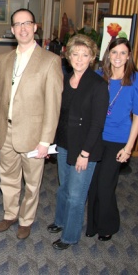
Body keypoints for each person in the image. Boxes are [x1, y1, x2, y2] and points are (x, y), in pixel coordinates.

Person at [0, 9, 63, 240]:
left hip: (33, 134)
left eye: (27, 23)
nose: (22, 28)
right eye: (17, 24)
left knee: (32, 182)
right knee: (7, 178)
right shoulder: (4, 59)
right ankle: (10, 214)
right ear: (12, 30)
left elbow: (54, 104)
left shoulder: (50, 61)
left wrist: (45, 141)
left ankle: (26, 220)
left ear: (35, 27)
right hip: (5, 130)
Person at [46, 34, 109, 250]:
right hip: (64, 143)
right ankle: (61, 221)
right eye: (75, 54)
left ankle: (70, 237)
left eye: (85, 55)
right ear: (68, 56)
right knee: (64, 188)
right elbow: (59, 115)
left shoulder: (98, 85)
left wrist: (85, 154)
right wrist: (52, 143)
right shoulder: (65, 79)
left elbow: (97, 125)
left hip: (84, 148)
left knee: (76, 195)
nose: (79, 59)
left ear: (92, 58)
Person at [86, 38, 138, 241]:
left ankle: (108, 225)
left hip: (118, 140)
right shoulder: (98, 76)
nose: (118, 57)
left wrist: (129, 148)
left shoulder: (137, 79)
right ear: (108, 54)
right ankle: (93, 224)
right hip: (96, 137)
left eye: (123, 53)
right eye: (114, 52)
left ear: (128, 56)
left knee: (105, 184)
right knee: (92, 184)